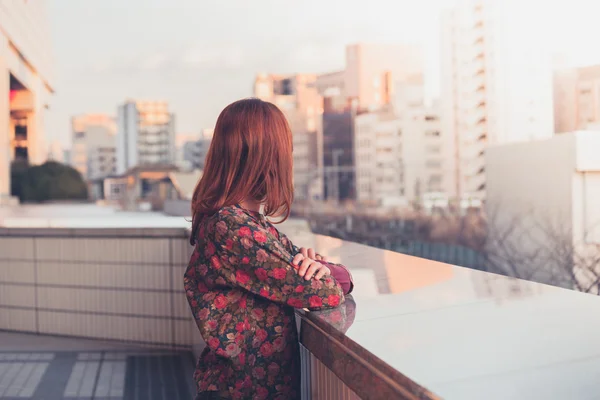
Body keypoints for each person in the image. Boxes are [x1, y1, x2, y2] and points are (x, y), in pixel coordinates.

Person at [184, 98, 354, 399]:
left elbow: (333, 278)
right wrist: (323, 273)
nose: (289, 156)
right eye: (285, 147)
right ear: (265, 157)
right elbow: (326, 291)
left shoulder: (251, 223)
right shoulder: (233, 229)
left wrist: (323, 270)